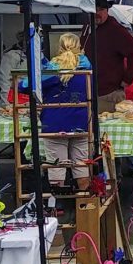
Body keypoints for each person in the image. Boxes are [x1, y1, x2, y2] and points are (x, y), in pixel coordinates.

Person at [27, 34, 92, 193]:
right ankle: (84, 205)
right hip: (81, 123)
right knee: (81, 165)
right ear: (79, 46)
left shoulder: (52, 69)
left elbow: (26, 85)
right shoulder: (87, 69)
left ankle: (56, 205)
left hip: (54, 123)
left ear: (60, 46)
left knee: (56, 165)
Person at [81, 0, 133, 112]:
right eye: (93, 10)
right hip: (91, 90)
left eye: (100, 10)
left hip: (109, 93)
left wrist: (128, 79)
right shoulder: (88, 26)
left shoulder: (115, 30)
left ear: (107, 10)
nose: (96, 13)